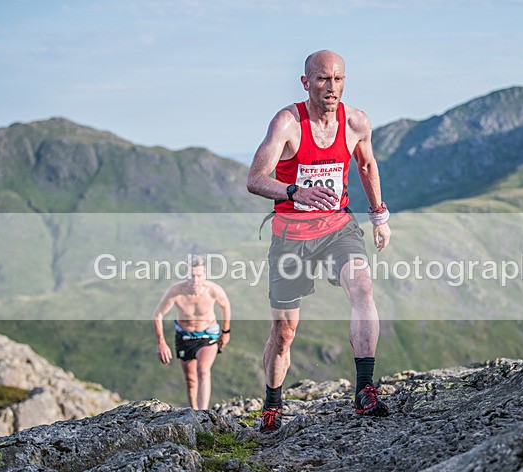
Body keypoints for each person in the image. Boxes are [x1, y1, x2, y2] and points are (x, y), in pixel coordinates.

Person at [246, 50, 392, 433]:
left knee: (362, 287)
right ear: (306, 82)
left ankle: (365, 390)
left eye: (338, 79)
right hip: (291, 234)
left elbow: (366, 164)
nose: (332, 87)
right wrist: (295, 192)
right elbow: (256, 178)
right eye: (323, 79)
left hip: (337, 227)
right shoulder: (288, 122)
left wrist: (379, 216)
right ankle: (273, 403)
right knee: (284, 332)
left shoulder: (356, 122)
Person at [153, 254, 231, 410]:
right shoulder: (176, 291)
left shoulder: (213, 290)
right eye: (191, 276)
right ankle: (194, 413)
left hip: (208, 334)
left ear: (205, 275)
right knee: (191, 380)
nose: (195, 280)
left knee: (203, 369)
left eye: (199, 276)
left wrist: (226, 331)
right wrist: (161, 342)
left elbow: (225, 306)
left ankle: (203, 413)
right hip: (184, 336)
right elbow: (158, 314)